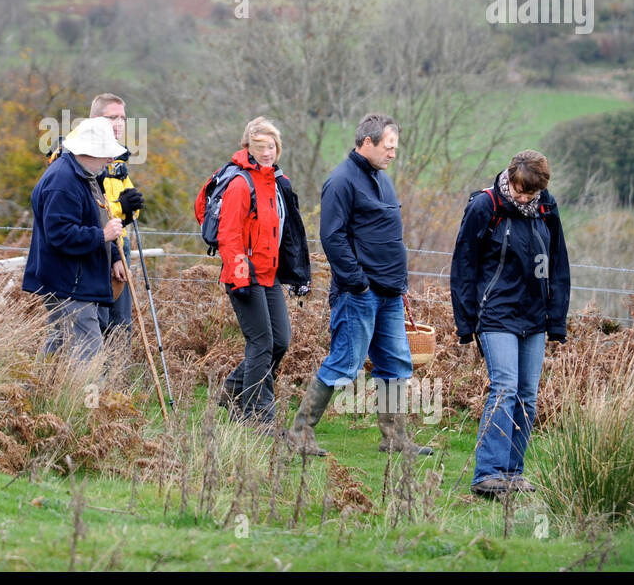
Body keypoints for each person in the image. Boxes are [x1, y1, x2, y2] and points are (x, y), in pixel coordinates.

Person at [289, 113, 431, 456]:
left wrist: (398, 284)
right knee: (344, 363)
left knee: (397, 363)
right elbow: (332, 237)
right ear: (367, 143)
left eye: (395, 147)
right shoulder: (341, 181)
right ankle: (299, 433)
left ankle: (395, 439)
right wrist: (358, 283)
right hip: (359, 294)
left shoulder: (382, 179)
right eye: (388, 146)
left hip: (390, 293)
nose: (393, 154)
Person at [451, 150, 570, 497]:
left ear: (540, 190)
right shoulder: (484, 207)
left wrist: (556, 320)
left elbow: (558, 263)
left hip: (534, 317)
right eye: (518, 190)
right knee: (504, 389)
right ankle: (487, 474)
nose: (521, 198)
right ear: (510, 178)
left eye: (528, 194)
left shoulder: (547, 209)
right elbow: (463, 264)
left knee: (527, 397)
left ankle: (512, 473)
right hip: (496, 314)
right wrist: (465, 321)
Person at [215, 117, 312, 427]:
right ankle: (258, 415)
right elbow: (229, 237)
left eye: (271, 146)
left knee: (281, 340)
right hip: (244, 276)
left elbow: (288, 232)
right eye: (260, 147)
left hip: (269, 275)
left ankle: (232, 390)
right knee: (261, 343)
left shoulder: (276, 181)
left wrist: (297, 274)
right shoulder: (241, 184)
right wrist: (240, 276)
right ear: (248, 148)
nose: (267, 152)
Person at [22, 116, 126, 361]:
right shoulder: (63, 181)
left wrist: (111, 256)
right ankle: (88, 398)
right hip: (69, 283)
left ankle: (35, 392)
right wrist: (103, 236)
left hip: (70, 280)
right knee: (88, 353)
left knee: (58, 344)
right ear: (89, 152)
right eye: (106, 153)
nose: (111, 159)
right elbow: (60, 234)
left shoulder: (80, 174)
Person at [89, 94, 145, 348]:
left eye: (123, 118)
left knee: (121, 322)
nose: (120, 123)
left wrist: (131, 207)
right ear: (95, 119)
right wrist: (120, 207)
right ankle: (90, 381)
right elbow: (89, 208)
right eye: (113, 117)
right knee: (97, 321)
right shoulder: (84, 155)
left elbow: (128, 211)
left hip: (120, 244)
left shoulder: (119, 159)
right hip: (94, 246)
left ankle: (117, 384)